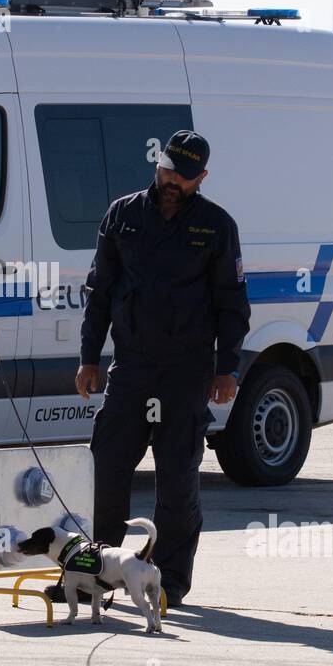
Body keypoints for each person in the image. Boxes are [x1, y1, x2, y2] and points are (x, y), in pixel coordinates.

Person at [64, 129, 250, 607]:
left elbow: (232, 305)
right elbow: (99, 293)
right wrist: (89, 357)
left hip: (185, 372)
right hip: (131, 366)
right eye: (168, 170)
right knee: (106, 471)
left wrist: (226, 368)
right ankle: (97, 575)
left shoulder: (216, 226)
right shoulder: (122, 215)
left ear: (201, 177)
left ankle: (167, 583)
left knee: (176, 480)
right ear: (158, 164)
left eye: (184, 176)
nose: (173, 181)